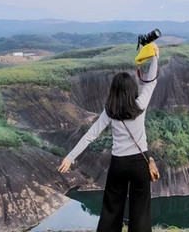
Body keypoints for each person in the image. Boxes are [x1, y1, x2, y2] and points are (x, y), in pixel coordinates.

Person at [57, 43, 160, 232]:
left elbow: (90, 136)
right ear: (131, 90)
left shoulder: (109, 112)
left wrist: (70, 157)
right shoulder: (140, 105)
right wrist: (155, 56)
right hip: (139, 163)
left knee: (112, 207)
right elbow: (151, 81)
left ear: (114, 91)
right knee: (140, 209)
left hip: (119, 164)